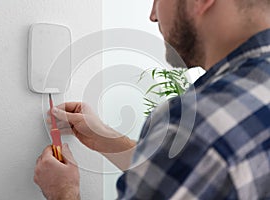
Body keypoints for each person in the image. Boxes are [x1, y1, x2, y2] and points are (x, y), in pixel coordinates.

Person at [34, 0, 270, 199]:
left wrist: (63, 192)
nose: (153, 15)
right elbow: (193, 172)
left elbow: (199, 151)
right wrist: (107, 140)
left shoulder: (198, 126)